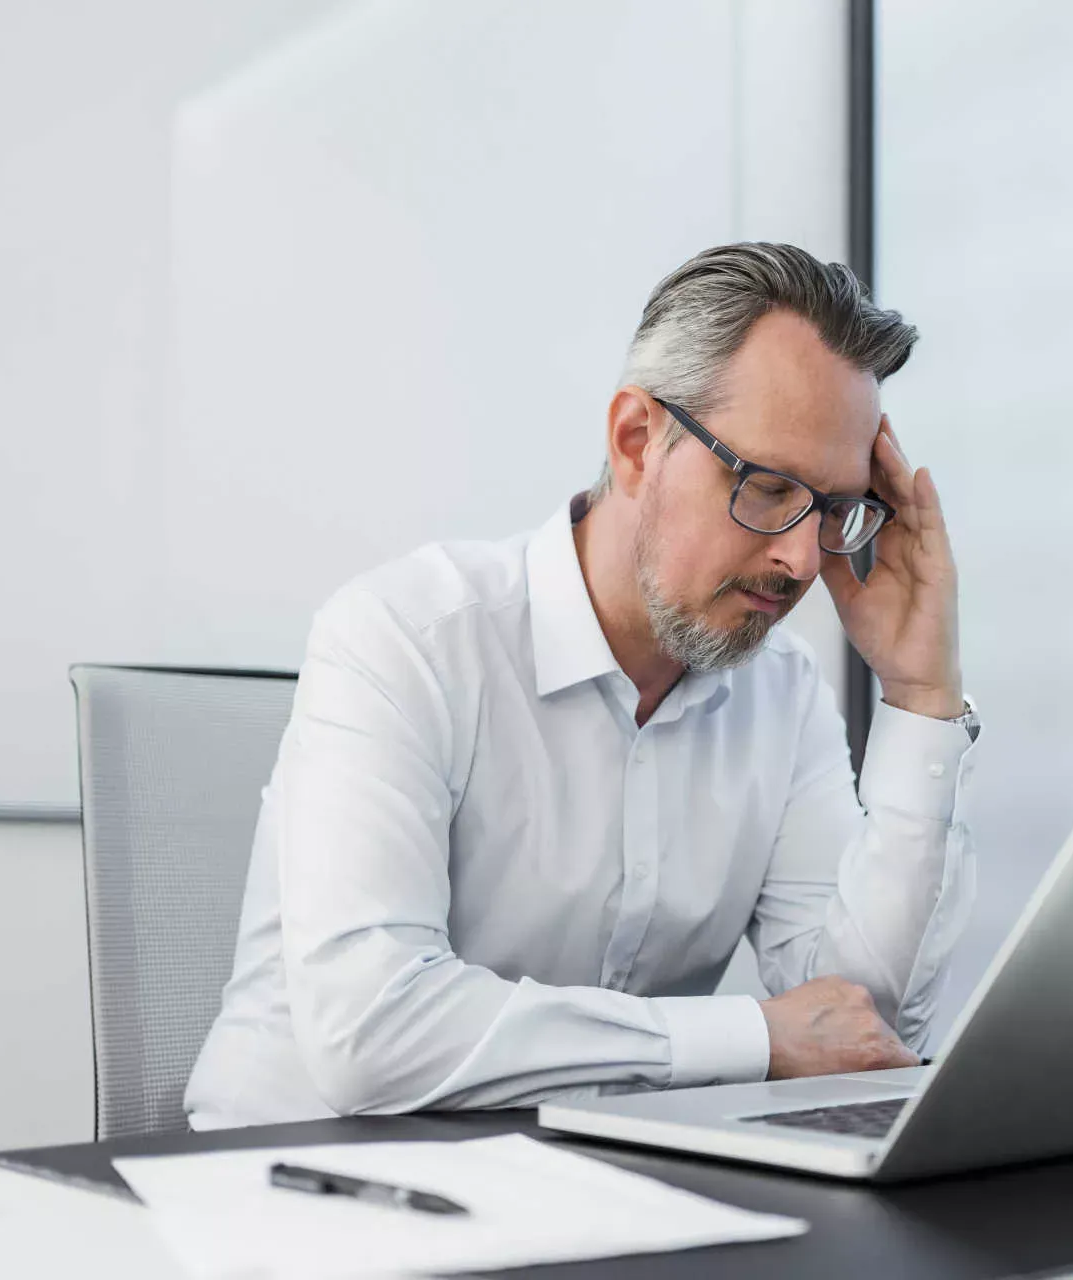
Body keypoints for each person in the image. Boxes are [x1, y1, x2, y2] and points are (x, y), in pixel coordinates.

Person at [185, 242, 980, 1128]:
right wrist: (752, 1037)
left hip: (587, 1194)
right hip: (294, 1193)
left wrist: (920, 699)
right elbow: (374, 1036)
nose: (801, 557)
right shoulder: (406, 637)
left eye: (834, 510)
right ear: (638, 443)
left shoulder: (781, 695)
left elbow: (857, 1030)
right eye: (767, 487)